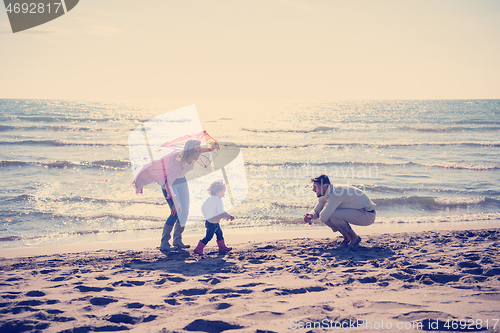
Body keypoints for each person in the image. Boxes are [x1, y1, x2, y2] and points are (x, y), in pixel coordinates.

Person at [133, 139, 218, 252]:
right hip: (168, 184)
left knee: (185, 211)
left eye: (199, 151)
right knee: (175, 212)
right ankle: (164, 242)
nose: (199, 154)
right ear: (190, 151)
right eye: (196, 151)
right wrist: (175, 201)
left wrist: (211, 149)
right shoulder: (179, 162)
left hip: (182, 181)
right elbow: (169, 182)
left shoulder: (193, 155)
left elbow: (200, 150)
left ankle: (177, 240)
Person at [304, 174, 376, 247]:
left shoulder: (336, 192)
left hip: (367, 215)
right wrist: (311, 215)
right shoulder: (327, 192)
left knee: (332, 215)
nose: (313, 190)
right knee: (329, 213)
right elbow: (317, 210)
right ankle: (347, 237)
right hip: (359, 212)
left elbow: (323, 218)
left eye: (315, 187)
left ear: (325, 186)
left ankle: (354, 238)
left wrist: (319, 213)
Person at [194, 180, 235, 256]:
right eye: (223, 192)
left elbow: (203, 207)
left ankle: (222, 247)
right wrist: (229, 216)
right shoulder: (218, 200)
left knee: (219, 233)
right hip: (212, 223)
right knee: (208, 236)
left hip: (210, 221)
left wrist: (206, 215)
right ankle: (198, 248)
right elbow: (220, 211)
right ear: (218, 192)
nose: (223, 195)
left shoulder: (209, 199)